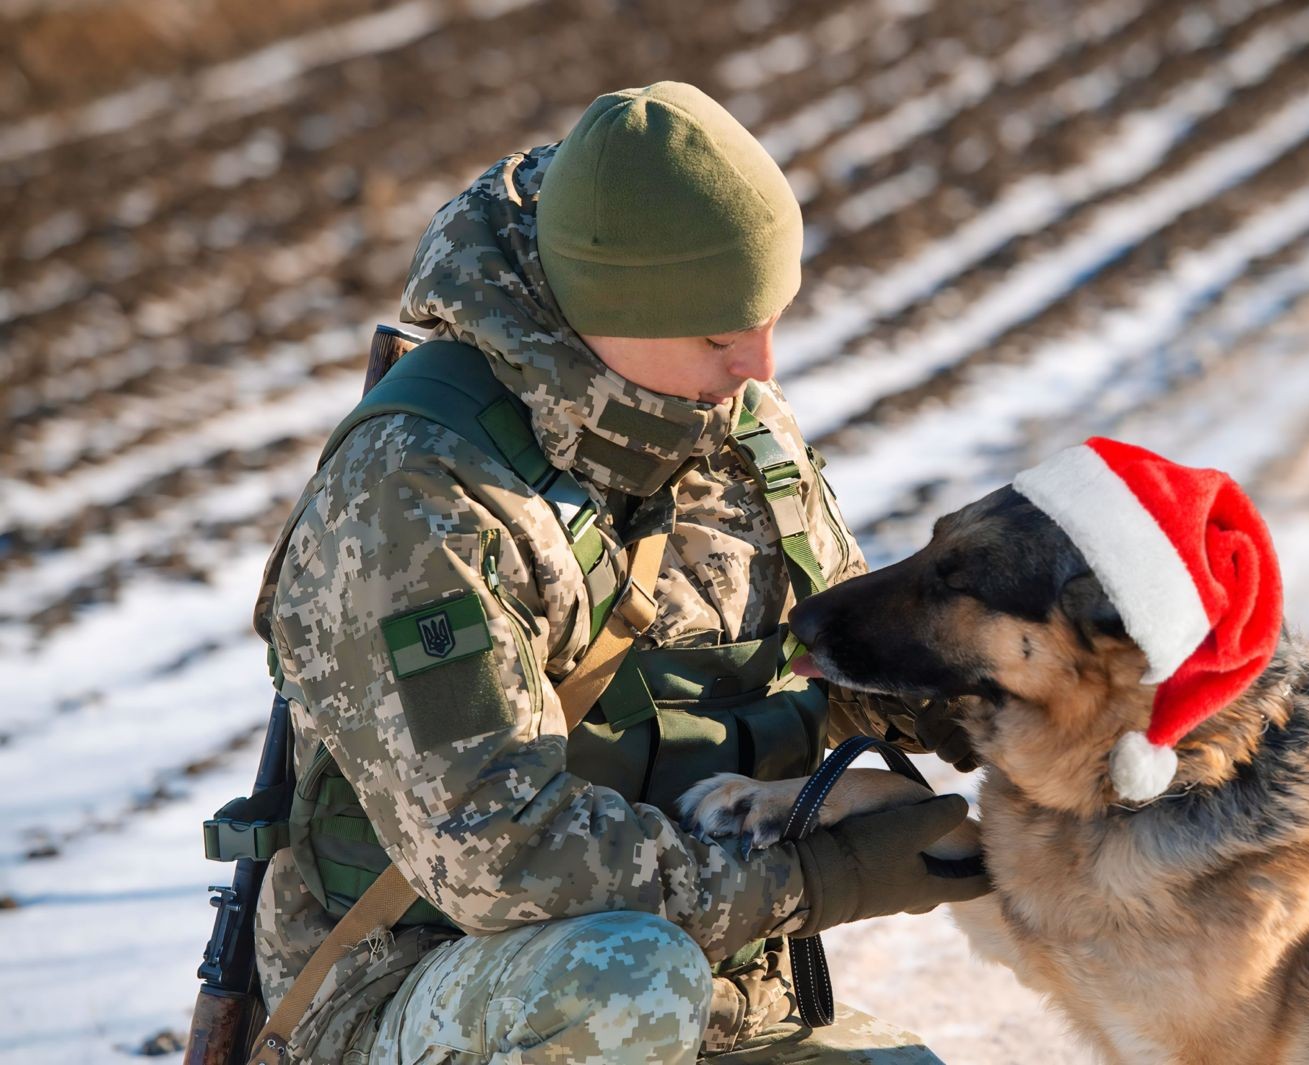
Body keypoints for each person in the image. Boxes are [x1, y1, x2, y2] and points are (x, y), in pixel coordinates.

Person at [250, 81, 987, 1064]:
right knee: (623, 983)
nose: (759, 366)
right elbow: (496, 852)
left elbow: (842, 665)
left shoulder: (728, 423)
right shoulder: (421, 493)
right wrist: (820, 882)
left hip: (698, 991)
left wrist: (1016, 705)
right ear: (611, 307)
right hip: (429, 987)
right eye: (720, 335)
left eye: (771, 316)